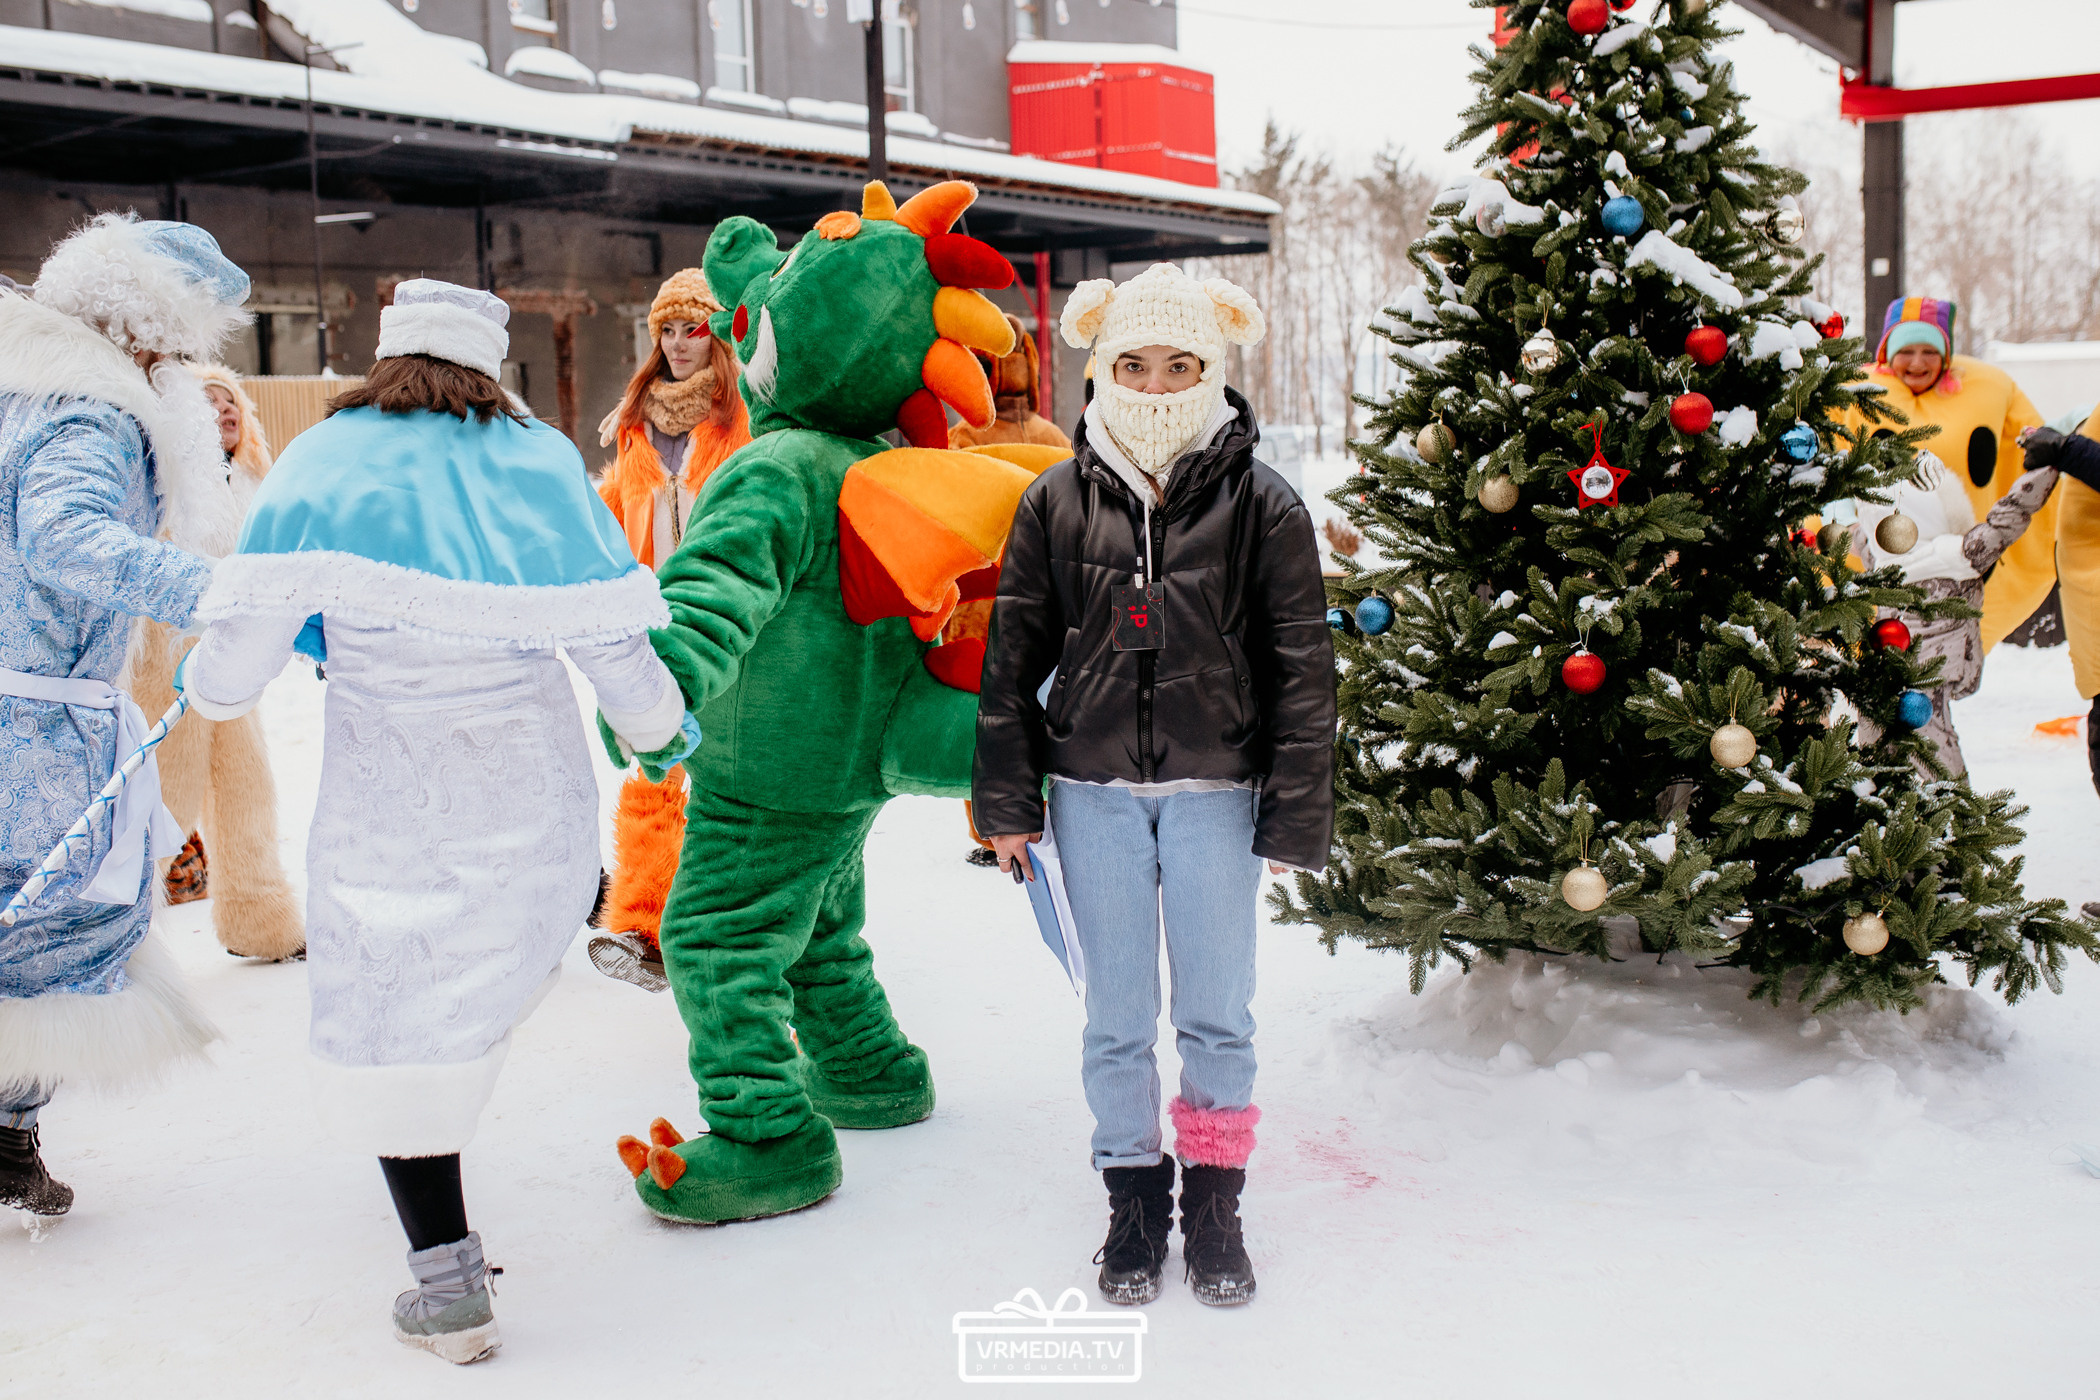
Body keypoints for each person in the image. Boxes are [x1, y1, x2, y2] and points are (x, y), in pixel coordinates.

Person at [180, 279, 695, 1364]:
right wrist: (661, 731)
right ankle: (449, 1233)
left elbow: (231, 673)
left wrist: (206, 678)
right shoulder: (536, 460)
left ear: (388, 358)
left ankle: (444, 1274)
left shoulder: (321, 460)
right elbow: (614, 646)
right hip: (527, 795)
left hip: (386, 797)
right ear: (485, 365)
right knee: (470, 992)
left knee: (393, 1019)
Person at [973, 262, 1336, 1307]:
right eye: (1134, 361)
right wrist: (1006, 805)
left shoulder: (1264, 503)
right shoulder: (1053, 499)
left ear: (1213, 365)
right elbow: (1009, 663)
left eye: (1180, 363)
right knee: (1117, 1018)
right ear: (1101, 363)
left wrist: (1294, 806)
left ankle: (1215, 1204)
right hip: (1089, 795)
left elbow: (1303, 665)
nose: (1157, 379)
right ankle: (1133, 1204)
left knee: (1219, 1013)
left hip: (1219, 794)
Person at [0, 214, 248, 1217]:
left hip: (33, 710)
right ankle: (9, 1132)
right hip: (36, 730)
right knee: (50, 928)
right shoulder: (88, 413)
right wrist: (214, 592)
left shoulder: (25, 391)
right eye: (171, 346)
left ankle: (10, 1132)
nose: (172, 368)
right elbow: (66, 536)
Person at [587, 268, 753, 992]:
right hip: (652, 621)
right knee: (654, 760)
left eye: (694, 327)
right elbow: (617, 510)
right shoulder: (634, 422)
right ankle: (644, 927)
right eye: (668, 330)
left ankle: (741, 928)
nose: (681, 343)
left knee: (737, 776)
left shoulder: (746, 418)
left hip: (737, 618)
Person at [122, 362, 304, 959]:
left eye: (231, 402)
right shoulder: (162, 477)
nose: (224, 410)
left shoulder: (255, 480)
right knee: (163, 800)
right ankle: (112, 936)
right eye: (209, 402)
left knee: (247, 792)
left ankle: (260, 924)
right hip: (167, 658)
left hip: (232, 660)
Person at [1839, 298, 2052, 651]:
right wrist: (1842, 521)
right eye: (1906, 350)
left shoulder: (1989, 388)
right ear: (1886, 352)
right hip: (1881, 557)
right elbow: (1827, 460)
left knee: (1946, 658)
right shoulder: (1856, 395)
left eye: (1930, 350)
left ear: (1946, 355)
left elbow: (2031, 437)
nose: (1918, 362)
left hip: (1960, 557)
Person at [1852, 449, 2060, 776]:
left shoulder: (1883, 564)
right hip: (1936, 670)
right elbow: (2011, 514)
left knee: (1877, 735)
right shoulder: (1957, 555)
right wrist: (2049, 464)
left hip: (1887, 670)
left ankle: (1875, 802)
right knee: (1933, 740)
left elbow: (1859, 534)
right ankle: (1957, 816)